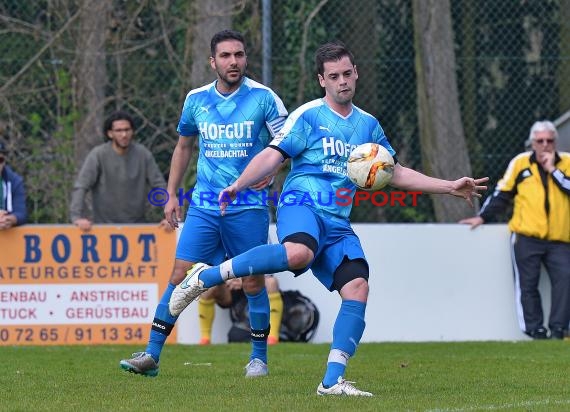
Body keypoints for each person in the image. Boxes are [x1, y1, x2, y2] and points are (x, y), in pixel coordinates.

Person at [168, 41, 488, 396]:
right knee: (299, 253)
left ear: (356, 74)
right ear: (322, 80)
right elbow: (273, 156)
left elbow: (394, 172)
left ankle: (332, 380)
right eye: (334, 76)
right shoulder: (308, 116)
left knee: (358, 288)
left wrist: (449, 187)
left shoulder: (368, 126)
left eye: (347, 74)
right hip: (301, 203)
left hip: (337, 221)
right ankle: (208, 276)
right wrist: (238, 185)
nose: (342, 81)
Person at [119, 30, 288, 377]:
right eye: (225, 56)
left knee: (254, 282)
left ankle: (258, 359)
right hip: (205, 207)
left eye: (239, 55)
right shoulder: (196, 99)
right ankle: (151, 355)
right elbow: (183, 148)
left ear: (245, 59)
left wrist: (273, 170)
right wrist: (170, 194)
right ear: (213, 62)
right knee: (179, 275)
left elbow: (287, 142)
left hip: (249, 207)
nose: (233, 62)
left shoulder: (264, 98)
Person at [460, 121, 570, 340]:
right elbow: (502, 194)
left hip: (560, 238)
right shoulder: (520, 163)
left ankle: (558, 329)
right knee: (527, 283)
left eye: (549, 141)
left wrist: (553, 170)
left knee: (565, 279)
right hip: (526, 236)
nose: (545, 145)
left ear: (555, 142)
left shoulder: (566, 162)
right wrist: (483, 217)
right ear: (533, 143)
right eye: (540, 141)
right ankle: (535, 330)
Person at [69, 110, 169, 231]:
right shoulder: (98, 154)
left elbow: (159, 185)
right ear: (110, 133)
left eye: (127, 130)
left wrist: (169, 217)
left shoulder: (143, 154)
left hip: (137, 227)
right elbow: (81, 186)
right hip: (103, 227)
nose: (124, 135)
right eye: (119, 131)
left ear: (132, 131)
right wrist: (76, 218)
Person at [199, 276, 283, 345]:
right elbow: (210, 269)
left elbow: (266, 265)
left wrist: (246, 279)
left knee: (271, 282)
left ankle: (272, 338)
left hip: (254, 281)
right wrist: (226, 278)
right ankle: (205, 339)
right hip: (230, 287)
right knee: (208, 287)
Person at [0, 142, 27, 229]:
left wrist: (10, 220)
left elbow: (21, 213)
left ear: (4, 162)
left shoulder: (15, 181)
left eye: (0, 160)